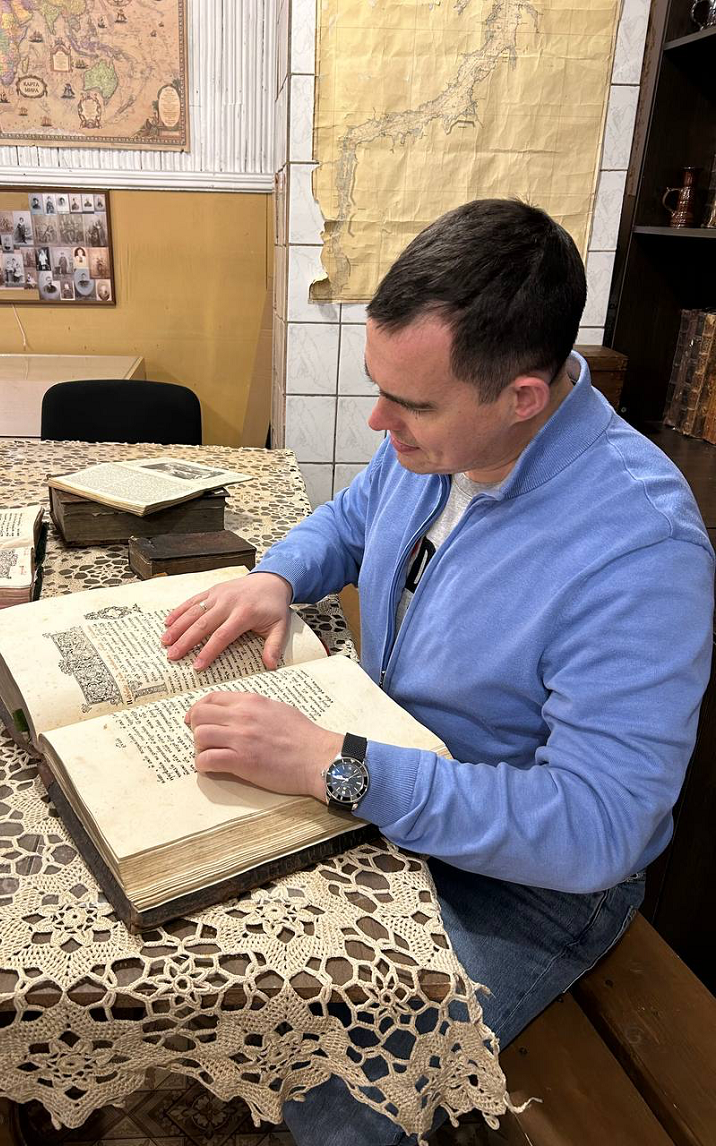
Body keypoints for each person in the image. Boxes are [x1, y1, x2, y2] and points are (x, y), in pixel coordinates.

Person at [161, 199, 714, 1145]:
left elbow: (598, 827)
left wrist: (340, 768)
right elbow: (351, 518)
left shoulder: (641, 548)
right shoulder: (444, 439)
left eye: (411, 405)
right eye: (378, 389)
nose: (381, 423)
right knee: (202, 954)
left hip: (531, 885)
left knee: (334, 1099)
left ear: (523, 398)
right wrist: (275, 577)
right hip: (394, 791)